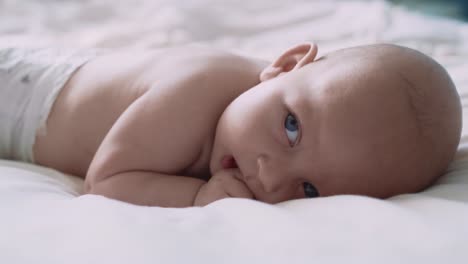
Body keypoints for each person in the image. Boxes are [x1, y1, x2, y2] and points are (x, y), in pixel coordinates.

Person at [0, 43, 462, 207]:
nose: (268, 174)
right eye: (292, 128)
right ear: (284, 65)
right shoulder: (198, 92)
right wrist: (197, 197)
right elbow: (106, 181)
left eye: (310, 190)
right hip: (17, 92)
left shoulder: (248, 137)